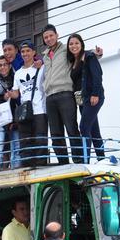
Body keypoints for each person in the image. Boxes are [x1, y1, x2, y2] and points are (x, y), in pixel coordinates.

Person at [40, 24, 83, 165]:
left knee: (71, 128)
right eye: (45, 37)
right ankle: (63, 163)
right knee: (55, 133)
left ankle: (78, 161)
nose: (48, 39)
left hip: (65, 94)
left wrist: (97, 54)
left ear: (57, 35)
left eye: (51, 35)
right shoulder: (45, 55)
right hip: (50, 97)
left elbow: (81, 53)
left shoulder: (66, 49)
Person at [68, 33, 105, 161]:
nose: (74, 46)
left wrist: (95, 93)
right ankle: (102, 159)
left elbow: (97, 75)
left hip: (93, 97)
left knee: (83, 127)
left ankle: (86, 160)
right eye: (71, 44)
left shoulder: (89, 56)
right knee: (94, 130)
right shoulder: (72, 61)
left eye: (76, 43)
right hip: (82, 100)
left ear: (81, 44)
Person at [11, 41, 47, 167]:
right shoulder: (18, 73)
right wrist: (10, 94)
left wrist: (41, 61)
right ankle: (27, 167)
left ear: (33, 52)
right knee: (25, 141)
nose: (25, 54)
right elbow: (16, 93)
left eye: (28, 51)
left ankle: (41, 165)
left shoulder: (40, 67)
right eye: (23, 52)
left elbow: (50, 61)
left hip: (39, 110)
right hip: (25, 112)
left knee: (40, 139)